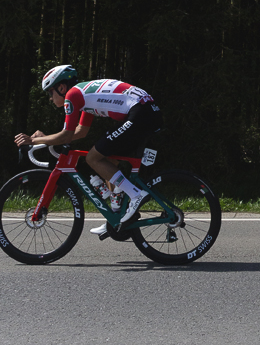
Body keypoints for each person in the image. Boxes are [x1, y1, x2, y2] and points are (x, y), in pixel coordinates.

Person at [14, 64, 162, 238]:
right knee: (108, 159)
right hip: (144, 112)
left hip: (140, 113)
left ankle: (136, 194)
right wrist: (46, 139)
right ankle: (117, 217)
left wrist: (34, 140)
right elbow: (80, 132)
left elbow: (66, 136)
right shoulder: (83, 96)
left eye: (50, 92)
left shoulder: (73, 95)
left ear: (61, 88)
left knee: (93, 158)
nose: (49, 98)